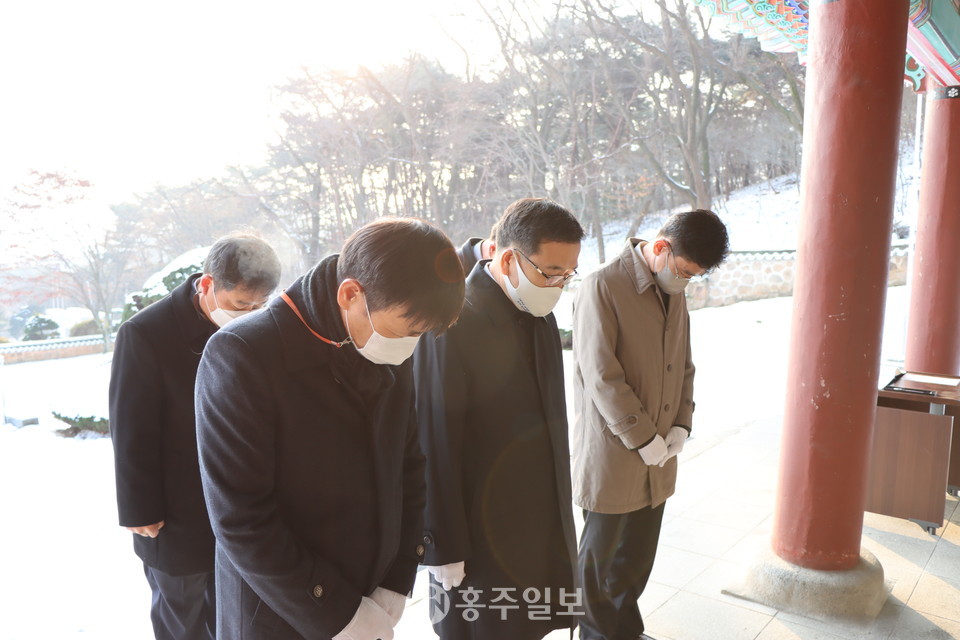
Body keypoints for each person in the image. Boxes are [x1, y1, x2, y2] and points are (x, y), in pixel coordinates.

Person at [195, 218, 465, 640]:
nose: (412, 344)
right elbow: (241, 518)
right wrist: (339, 613)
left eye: (422, 334)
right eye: (408, 329)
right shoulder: (244, 354)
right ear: (351, 294)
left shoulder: (385, 339)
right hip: (283, 613)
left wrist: (397, 578)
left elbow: (408, 466)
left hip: (374, 602)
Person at [414, 198, 584, 640]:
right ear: (508, 259)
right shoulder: (451, 320)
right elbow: (433, 440)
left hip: (539, 515)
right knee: (486, 627)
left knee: (532, 622)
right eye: (551, 272)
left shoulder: (538, 313)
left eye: (568, 275)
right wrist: (441, 544)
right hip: (479, 531)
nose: (559, 285)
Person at [109, 231, 282, 640]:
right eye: (240, 305)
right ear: (207, 284)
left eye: (259, 306)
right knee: (181, 618)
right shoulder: (145, 333)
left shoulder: (264, 326)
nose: (250, 314)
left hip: (239, 505)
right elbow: (131, 427)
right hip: (176, 510)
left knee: (235, 616)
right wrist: (139, 508)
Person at [571, 209, 729, 640]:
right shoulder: (602, 286)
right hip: (613, 450)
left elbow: (684, 364)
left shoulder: (672, 289)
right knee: (600, 561)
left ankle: (625, 630)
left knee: (638, 556)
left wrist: (681, 425)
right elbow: (601, 375)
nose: (686, 282)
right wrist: (642, 437)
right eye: (685, 271)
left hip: (660, 450)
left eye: (694, 276)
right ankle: (595, 636)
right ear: (661, 247)